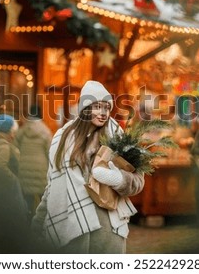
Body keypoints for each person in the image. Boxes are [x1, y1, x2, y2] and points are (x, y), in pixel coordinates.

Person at [31, 80, 145, 253]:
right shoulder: (63, 138)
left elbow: (139, 180)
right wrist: (38, 223)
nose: (103, 113)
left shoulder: (119, 138)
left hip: (108, 233)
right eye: (97, 106)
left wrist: (118, 179)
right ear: (86, 108)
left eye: (107, 107)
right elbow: (54, 183)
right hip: (72, 231)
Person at [0, 114, 30, 252]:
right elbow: (0, 166)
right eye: (12, 132)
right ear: (6, 132)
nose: (13, 136)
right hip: (1, 191)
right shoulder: (3, 145)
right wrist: (13, 179)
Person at [15, 105, 52, 216]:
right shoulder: (45, 131)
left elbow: (15, 145)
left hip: (24, 165)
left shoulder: (22, 129)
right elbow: (50, 151)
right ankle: (40, 219)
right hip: (40, 167)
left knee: (27, 196)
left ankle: (28, 217)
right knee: (42, 196)